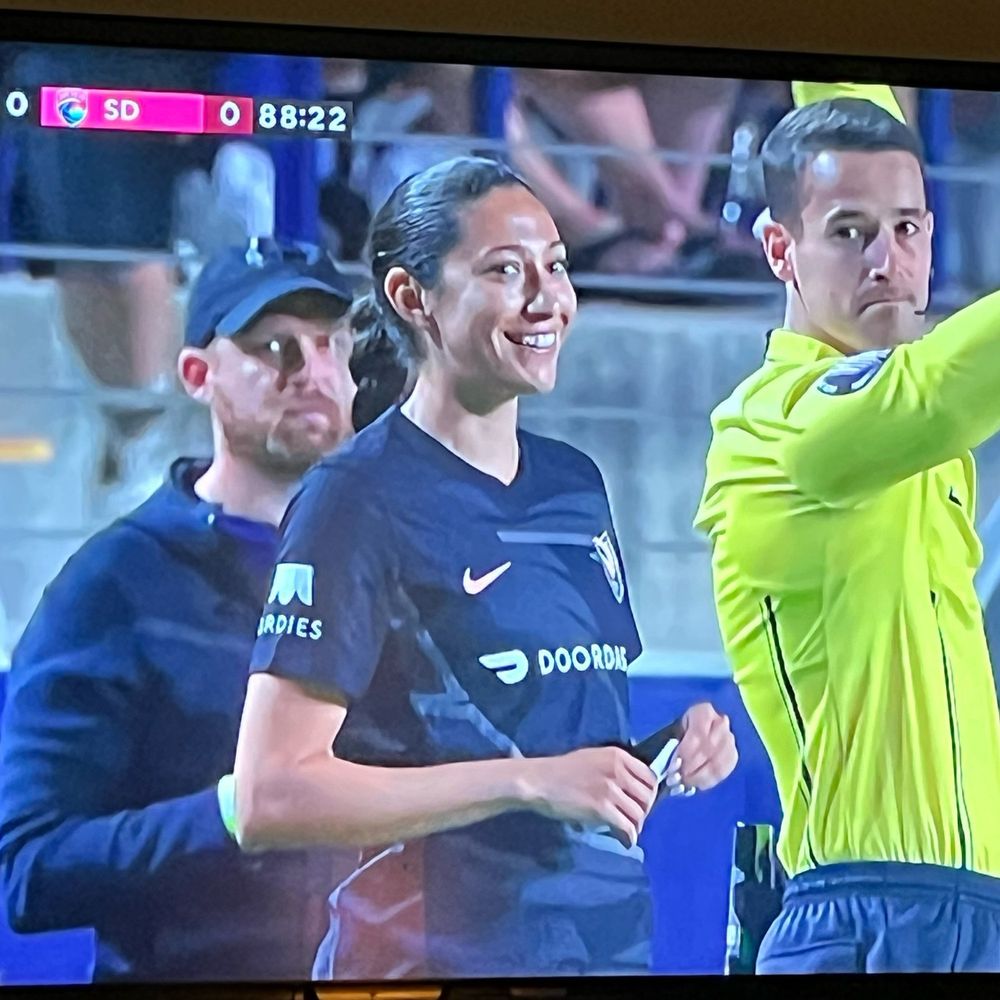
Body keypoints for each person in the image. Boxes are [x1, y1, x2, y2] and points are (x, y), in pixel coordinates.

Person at [233, 156, 739, 979]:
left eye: (557, 266)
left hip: (605, 952)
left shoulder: (576, 485)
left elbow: (553, 748)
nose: (547, 299)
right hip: (422, 961)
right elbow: (270, 795)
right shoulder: (355, 497)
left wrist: (661, 754)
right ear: (411, 297)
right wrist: (531, 781)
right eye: (506, 270)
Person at [694, 82, 1000, 974]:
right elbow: (931, 391)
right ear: (779, 248)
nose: (887, 261)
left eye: (908, 229)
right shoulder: (770, 425)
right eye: (849, 233)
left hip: (980, 904)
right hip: (859, 913)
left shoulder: (915, 431)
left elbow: (856, 116)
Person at [0, 240, 359, 982]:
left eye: (330, 344)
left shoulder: (401, 567)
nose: (311, 372)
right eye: (274, 348)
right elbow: (30, 871)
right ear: (198, 374)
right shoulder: (115, 583)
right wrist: (236, 812)